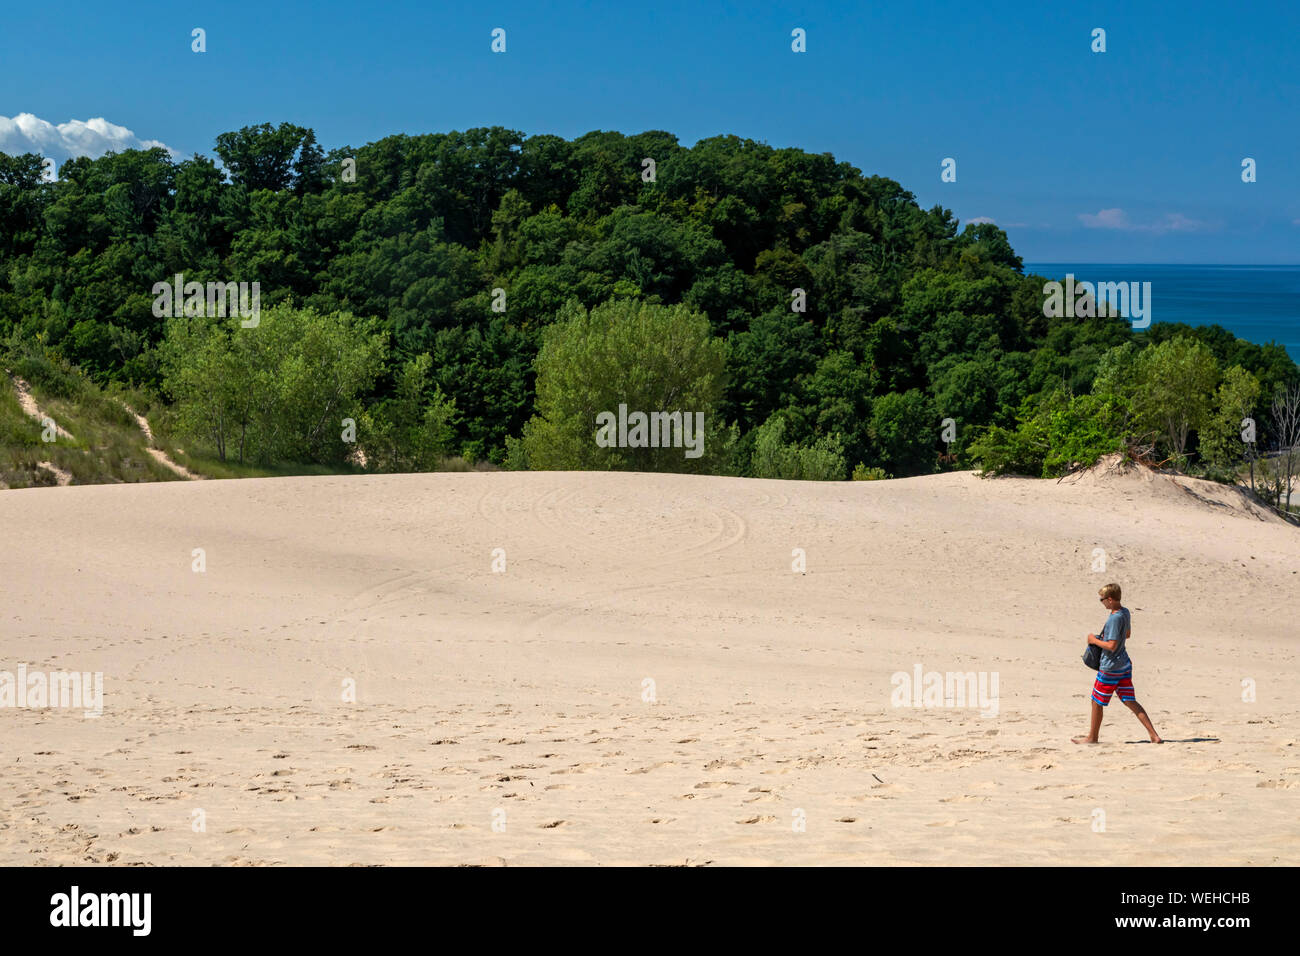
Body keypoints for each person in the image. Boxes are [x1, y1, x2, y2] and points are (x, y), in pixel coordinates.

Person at [1072, 583, 1162, 744]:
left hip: (1110, 667)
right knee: (1129, 699)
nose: (1102, 602)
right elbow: (1127, 635)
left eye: (1102, 599)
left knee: (1096, 701)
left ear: (1111, 599)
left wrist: (1093, 640)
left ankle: (1092, 737)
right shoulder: (1125, 612)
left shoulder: (1114, 618)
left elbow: (1112, 646)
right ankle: (1154, 735)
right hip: (1124, 664)